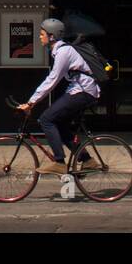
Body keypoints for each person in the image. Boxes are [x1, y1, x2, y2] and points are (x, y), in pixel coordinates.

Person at [17, 18, 101, 175]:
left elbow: (52, 80)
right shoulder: (60, 51)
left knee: (46, 119)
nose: (39, 37)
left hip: (84, 92)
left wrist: (31, 102)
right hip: (80, 91)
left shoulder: (63, 52)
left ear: (52, 36)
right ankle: (88, 161)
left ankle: (59, 162)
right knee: (60, 126)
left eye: (42, 34)